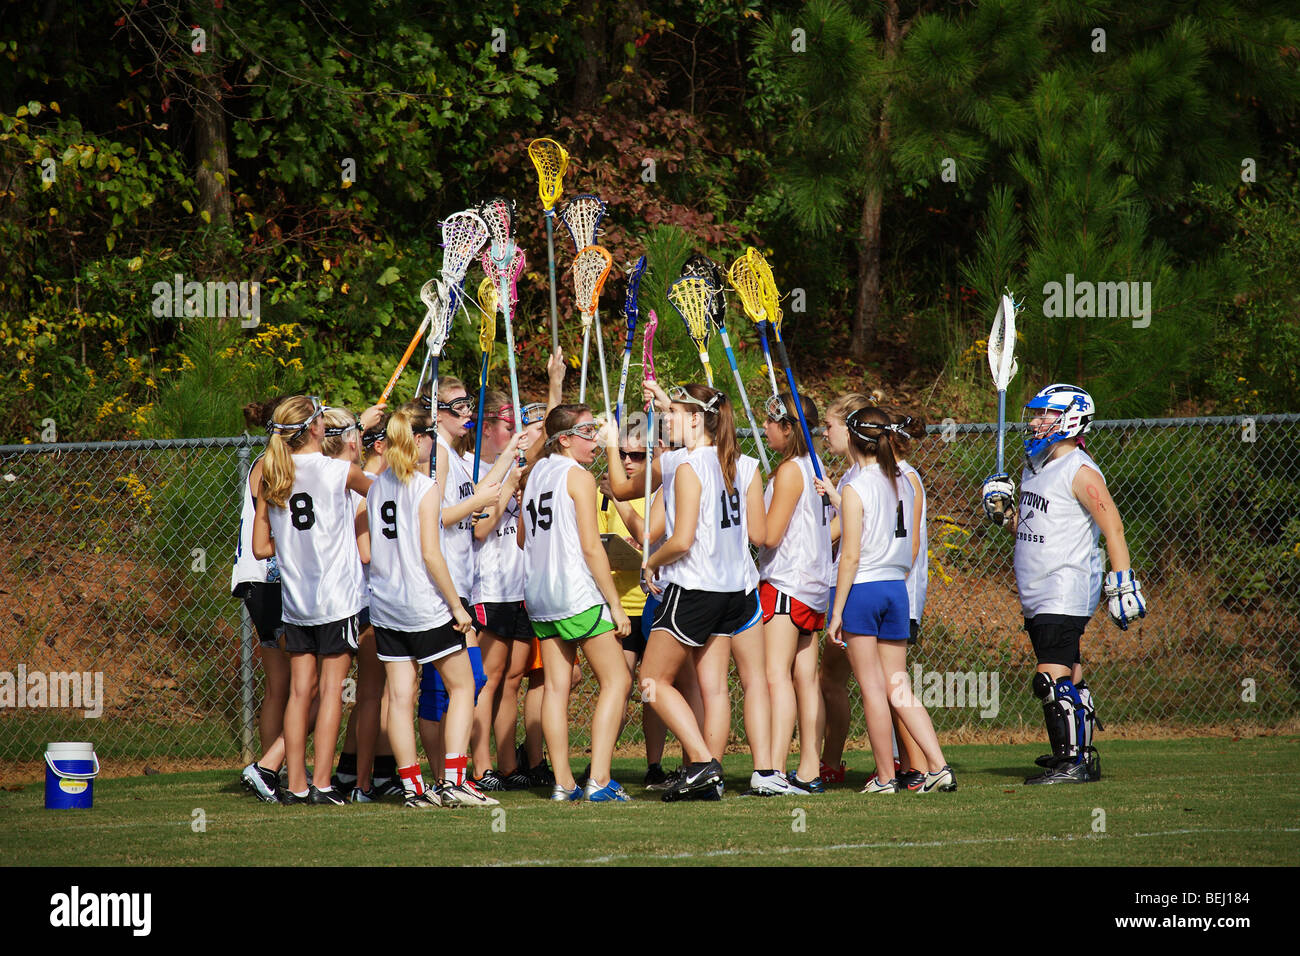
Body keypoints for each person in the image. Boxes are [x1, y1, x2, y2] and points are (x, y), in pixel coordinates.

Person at [981, 384, 1146, 784]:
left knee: (1049, 678)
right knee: (1070, 675)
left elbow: (1113, 524)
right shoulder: (1035, 465)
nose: (1036, 422)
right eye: (1035, 414)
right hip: (1036, 589)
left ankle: (1075, 762)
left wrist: (1122, 580)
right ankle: (1073, 755)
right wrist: (1002, 514)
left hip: (1065, 585)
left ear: (1070, 418)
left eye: (1044, 415)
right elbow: (1032, 527)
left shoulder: (1079, 469)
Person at [640, 382, 781, 801]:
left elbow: (681, 540)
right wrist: (668, 401)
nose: (667, 421)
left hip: (696, 587)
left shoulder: (688, 467)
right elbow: (759, 535)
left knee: (651, 681)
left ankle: (702, 763)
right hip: (737, 591)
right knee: (715, 686)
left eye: (674, 415)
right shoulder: (747, 465)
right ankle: (712, 779)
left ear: (697, 419)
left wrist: (652, 561)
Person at [360, 402, 496, 807]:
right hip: (423, 605)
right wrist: (457, 607)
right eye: (429, 438)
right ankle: (454, 779)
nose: (432, 445)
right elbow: (432, 555)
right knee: (463, 685)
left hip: (386, 607)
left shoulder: (376, 485)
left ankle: (413, 788)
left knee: (400, 697)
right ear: (417, 440)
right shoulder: (424, 488)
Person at [825, 406, 955, 795]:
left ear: (852, 438)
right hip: (897, 588)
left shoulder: (856, 486)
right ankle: (939, 765)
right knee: (899, 686)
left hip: (863, 589)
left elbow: (849, 555)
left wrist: (836, 613)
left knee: (872, 689)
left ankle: (885, 777)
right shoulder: (905, 479)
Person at [251, 395, 373, 805]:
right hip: (337, 598)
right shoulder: (339, 470)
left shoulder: (274, 474)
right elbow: (388, 496)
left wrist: (293, 546)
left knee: (300, 692)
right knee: (333, 690)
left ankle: (297, 785)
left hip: (296, 601)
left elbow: (260, 548)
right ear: (316, 428)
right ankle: (323, 784)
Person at [519, 404, 633, 802]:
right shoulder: (578, 476)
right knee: (618, 679)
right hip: (574, 593)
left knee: (556, 686)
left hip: (540, 594)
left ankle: (563, 782)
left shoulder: (533, 476)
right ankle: (599, 779)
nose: (595, 440)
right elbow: (590, 547)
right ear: (564, 439)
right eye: (587, 432)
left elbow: (522, 538)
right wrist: (615, 606)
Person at [757, 392, 832, 794]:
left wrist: (741, 510)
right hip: (812, 586)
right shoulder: (814, 466)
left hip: (786, 582)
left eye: (772, 422)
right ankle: (808, 770)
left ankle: (773, 770)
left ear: (789, 427)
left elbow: (767, 534)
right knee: (805, 679)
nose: (765, 428)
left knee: (775, 677)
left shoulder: (789, 472)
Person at [234, 396, 296, 803]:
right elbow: (270, 538)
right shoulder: (274, 466)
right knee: (306, 685)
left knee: (281, 687)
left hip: (259, 584)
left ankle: (275, 771)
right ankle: (270, 767)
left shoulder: (266, 461)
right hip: (270, 583)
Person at [810, 392, 873, 785]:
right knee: (834, 678)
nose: (824, 433)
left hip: (856, 588)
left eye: (830, 426)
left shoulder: (864, 477)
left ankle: (906, 763)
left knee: (868, 680)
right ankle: (831, 761)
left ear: (850, 429)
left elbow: (851, 533)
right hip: (845, 584)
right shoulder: (851, 476)